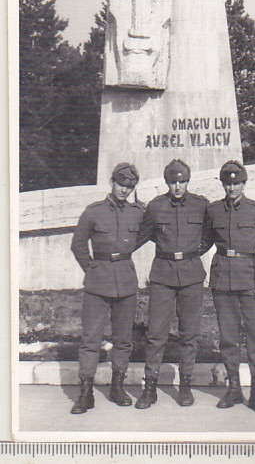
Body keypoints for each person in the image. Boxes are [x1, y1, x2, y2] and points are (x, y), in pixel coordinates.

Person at [134, 159, 209, 409]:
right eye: (173, 182)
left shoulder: (201, 206)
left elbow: (209, 236)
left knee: (190, 335)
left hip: (191, 275)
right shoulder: (156, 207)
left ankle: (185, 386)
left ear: (188, 181)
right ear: (167, 182)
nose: (178, 186)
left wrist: (194, 252)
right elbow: (142, 236)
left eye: (182, 181)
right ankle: (150, 388)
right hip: (163, 276)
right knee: (156, 334)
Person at [70, 163, 144, 414]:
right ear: (111, 182)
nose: (124, 189)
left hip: (126, 280)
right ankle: (85, 393)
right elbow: (78, 244)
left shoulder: (138, 213)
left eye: (129, 186)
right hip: (97, 283)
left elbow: (143, 236)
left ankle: (117, 387)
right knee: (91, 339)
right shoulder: (93, 212)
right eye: (121, 184)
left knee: (123, 339)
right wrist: (91, 268)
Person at [204, 160, 255, 414]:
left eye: (236, 183)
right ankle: (234, 388)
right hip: (223, 278)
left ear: (244, 184)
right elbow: (204, 241)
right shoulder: (214, 211)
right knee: (228, 338)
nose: (232, 187)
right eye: (228, 183)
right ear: (223, 184)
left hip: (252, 278)